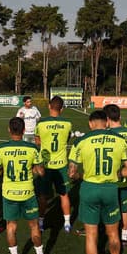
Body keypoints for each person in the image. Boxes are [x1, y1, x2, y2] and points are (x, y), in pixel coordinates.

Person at [69, 110, 127, 254]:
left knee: (91, 234)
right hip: (110, 189)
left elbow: (72, 173)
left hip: (89, 188)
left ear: (90, 124)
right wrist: (117, 173)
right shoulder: (120, 140)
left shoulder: (81, 141)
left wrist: (80, 176)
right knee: (113, 233)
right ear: (106, 122)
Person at [0, 117, 54, 254]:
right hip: (27, 193)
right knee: (34, 226)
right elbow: (41, 171)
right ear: (24, 130)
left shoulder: (0, 149)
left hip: (9, 193)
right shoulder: (32, 149)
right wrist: (31, 169)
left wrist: (2, 171)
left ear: (8, 130)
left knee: (11, 227)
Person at [34, 96, 73, 232]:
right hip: (61, 164)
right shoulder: (68, 123)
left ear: (49, 106)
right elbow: (67, 139)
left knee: (43, 195)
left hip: (45, 165)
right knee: (64, 194)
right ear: (62, 109)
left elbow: (37, 141)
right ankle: (67, 223)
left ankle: (41, 222)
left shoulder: (41, 123)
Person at [104, 104, 127, 247]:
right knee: (124, 209)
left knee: (108, 208)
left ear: (107, 119)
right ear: (120, 116)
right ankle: (124, 237)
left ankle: (107, 233)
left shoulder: (107, 135)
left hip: (110, 177)